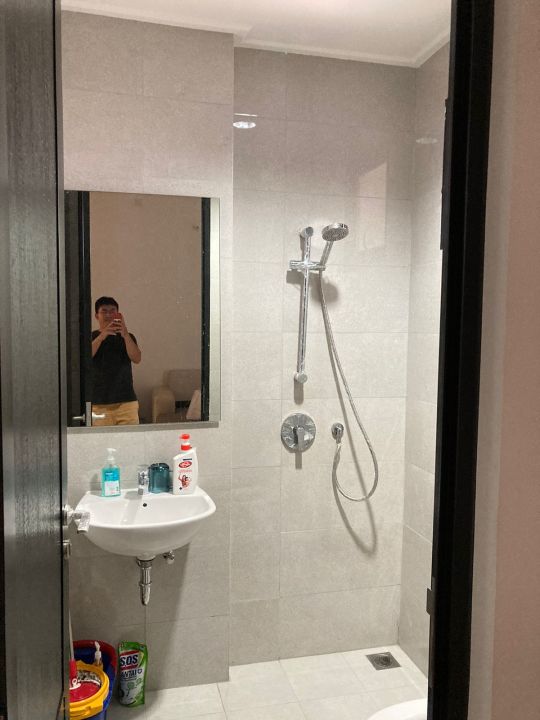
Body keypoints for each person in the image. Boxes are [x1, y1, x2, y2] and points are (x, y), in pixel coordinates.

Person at [91, 296, 141, 426]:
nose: (108, 314)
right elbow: (85, 358)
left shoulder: (127, 337)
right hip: (98, 403)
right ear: (97, 316)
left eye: (112, 311)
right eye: (104, 311)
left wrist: (125, 334)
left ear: (118, 314)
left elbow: (137, 358)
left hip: (126, 401)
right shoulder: (91, 336)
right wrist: (102, 336)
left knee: (130, 438)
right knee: (100, 438)